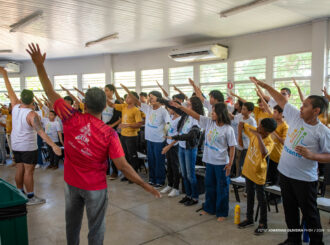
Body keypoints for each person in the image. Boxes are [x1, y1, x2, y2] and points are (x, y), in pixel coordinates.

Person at [26, 43, 160, 245]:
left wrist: (39, 65)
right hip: (95, 187)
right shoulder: (109, 134)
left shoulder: (70, 117)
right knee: (96, 228)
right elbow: (123, 166)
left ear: (84, 105)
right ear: (105, 105)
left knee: (72, 224)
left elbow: (49, 90)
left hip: (71, 183)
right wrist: (144, 184)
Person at [253, 77, 330, 245]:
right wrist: (265, 85)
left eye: (306, 105)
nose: (301, 107)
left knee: (310, 214)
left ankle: (317, 242)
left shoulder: (322, 131)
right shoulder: (296, 116)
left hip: (304, 179)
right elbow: (281, 100)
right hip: (285, 174)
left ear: (316, 111)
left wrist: (313, 156)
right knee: (290, 210)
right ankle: (293, 240)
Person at [0, 66, 62, 205]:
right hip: (28, 147)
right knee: (29, 172)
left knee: (19, 168)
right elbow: (41, 132)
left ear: (21, 99)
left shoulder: (15, 106)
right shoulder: (32, 115)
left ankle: (19, 193)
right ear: (33, 100)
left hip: (16, 145)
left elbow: (10, 90)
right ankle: (30, 197)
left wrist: (4, 74)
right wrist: (53, 146)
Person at [174, 101, 236, 221]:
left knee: (222, 188)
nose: (211, 113)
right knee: (210, 186)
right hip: (209, 161)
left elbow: (232, 147)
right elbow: (194, 115)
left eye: (214, 111)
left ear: (220, 113)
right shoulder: (208, 122)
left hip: (221, 163)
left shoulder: (228, 129)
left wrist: (230, 164)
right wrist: (181, 107)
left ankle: (222, 212)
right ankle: (209, 208)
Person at [238, 118, 277, 235]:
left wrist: (259, 136)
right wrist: (240, 132)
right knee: (249, 195)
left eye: (261, 127)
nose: (258, 127)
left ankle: (263, 223)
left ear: (267, 132)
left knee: (261, 199)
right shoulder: (255, 131)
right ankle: (249, 219)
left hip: (259, 174)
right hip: (249, 170)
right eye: (259, 126)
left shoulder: (270, 142)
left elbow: (264, 152)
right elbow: (242, 124)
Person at [126, 88, 168, 188]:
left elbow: (168, 124)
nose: (150, 99)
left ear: (159, 99)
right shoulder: (148, 108)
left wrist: (164, 135)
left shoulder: (163, 111)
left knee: (159, 161)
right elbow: (137, 101)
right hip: (149, 139)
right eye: (149, 97)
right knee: (151, 160)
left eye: (152, 97)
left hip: (159, 140)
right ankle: (152, 179)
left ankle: (160, 180)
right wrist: (128, 92)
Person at [168, 96, 204, 206]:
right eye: (187, 104)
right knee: (183, 173)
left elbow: (190, 135)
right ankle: (187, 195)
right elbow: (178, 110)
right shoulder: (186, 115)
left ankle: (194, 197)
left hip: (189, 148)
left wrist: (175, 138)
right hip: (182, 147)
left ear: (195, 106)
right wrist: (170, 103)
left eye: (189, 104)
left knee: (190, 174)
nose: (187, 106)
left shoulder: (197, 118)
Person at [107, 91, 143, 182]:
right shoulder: (123, 106)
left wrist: (127, 125)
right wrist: (105, 97)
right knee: (125, 156)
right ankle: (127, 175)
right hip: (123, 135)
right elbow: (112, 105)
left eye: (129, 97)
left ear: (134, 100)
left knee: (132, 157)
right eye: (126, 97)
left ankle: (134, 176)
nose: (127, 99)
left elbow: (139, 124)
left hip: (132, 136)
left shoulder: (136, 110)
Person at [160, 101, 182, 197]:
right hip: (168, 143)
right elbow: (168, 129)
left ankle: (176, 188)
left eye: (169, 108)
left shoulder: (181, 119)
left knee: (175, 167)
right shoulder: (171, 117)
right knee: (169, 166)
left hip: (175, 145)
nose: (168, 110)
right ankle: (170, 184)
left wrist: (170, 145)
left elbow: (179, 135)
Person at [230, 102, 256, 176]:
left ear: (250, 112)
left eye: (244, 109)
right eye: (242, 109)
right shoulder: (239, 116)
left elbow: (253, 135)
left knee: (243, 165)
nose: (242, 111)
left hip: (246, 146)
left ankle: (242, 179)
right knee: (238, 164)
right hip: (238, 145)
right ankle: (238, 177)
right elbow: (232, 117)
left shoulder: (252, 121)